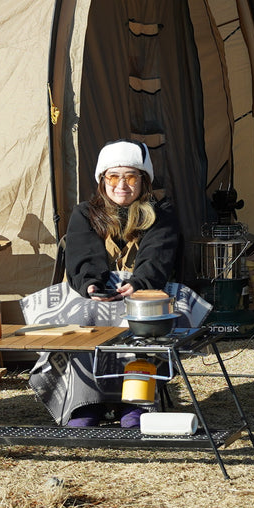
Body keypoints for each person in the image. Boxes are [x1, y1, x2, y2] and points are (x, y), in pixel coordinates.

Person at [28, 139, 182, 428]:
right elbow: (83, 253)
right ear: (102, 180)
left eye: (130, 176)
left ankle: (134, 402)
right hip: (93, 296)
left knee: (140, 322)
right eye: (113, 176)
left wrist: (139, 284)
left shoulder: (161, 214)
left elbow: (158, 255)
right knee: (81, 319)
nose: (121, 184)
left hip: (143, 293)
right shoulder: (85, 213)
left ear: (143, 181)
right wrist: (91, 285)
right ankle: (86, 404)